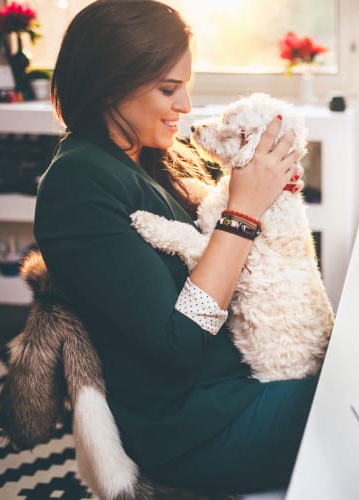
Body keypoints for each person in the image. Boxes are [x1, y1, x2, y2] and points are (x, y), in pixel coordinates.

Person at [34, 0, 316, 494]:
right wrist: (243, 212)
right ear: (109, 85)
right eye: (168, 89)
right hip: (194, 428)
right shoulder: (77, 183)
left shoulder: (149, 157)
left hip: (237, 383)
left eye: (186, 84)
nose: (185, 105)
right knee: (357, 404)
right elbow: (178, 344)